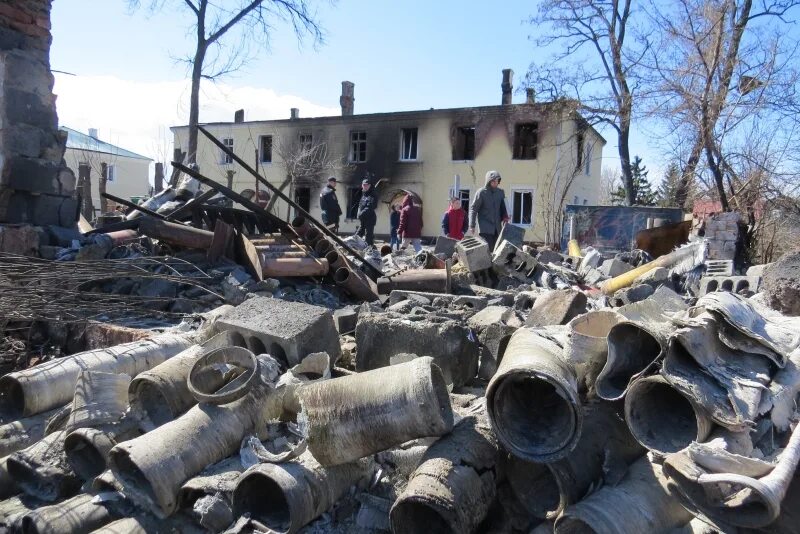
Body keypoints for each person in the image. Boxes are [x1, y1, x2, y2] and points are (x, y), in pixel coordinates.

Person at [468, 170, 509, 251]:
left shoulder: (500, 192)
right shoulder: (481, 193)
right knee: (487, 250)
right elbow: (473, 209)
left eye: (497, 181)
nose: (495, 182)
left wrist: (505, 217)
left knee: (497, 250)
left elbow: (503, 207)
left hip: (497, 228)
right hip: (485, 227)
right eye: (493, 181)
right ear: (488, 181)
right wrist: (472, 225)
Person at [356, 179, 377, 246]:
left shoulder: (372, 195)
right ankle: (353, 246)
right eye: (364, 185)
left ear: (369, 186)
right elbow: (360, 205)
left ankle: (369, 250)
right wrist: (358, 213)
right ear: (362, 185)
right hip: (363, 219)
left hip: (370, 219)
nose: (365, 186)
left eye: (366, 185)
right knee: (358, 234)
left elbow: (370, 207)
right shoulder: (364, 194)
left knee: (368, 236)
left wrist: (361, 214)